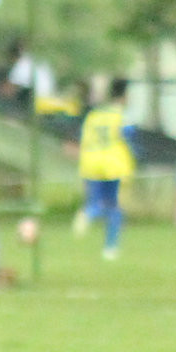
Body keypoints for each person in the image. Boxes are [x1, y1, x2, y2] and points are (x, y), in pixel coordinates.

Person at [77, 78, 137, 260]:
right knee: (114, 206)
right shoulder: (121, 115)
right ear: (125, 95)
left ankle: (89, 213)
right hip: (113, 164)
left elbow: (85, 139)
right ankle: (110, 247)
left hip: (91, 163)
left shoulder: (94, 115)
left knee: (97, 201)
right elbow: (128, 138)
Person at [4, 37, 54, 109]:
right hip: (49, 94)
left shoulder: (20, 65)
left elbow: (7, 89)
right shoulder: (33, 59)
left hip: (38, 100)